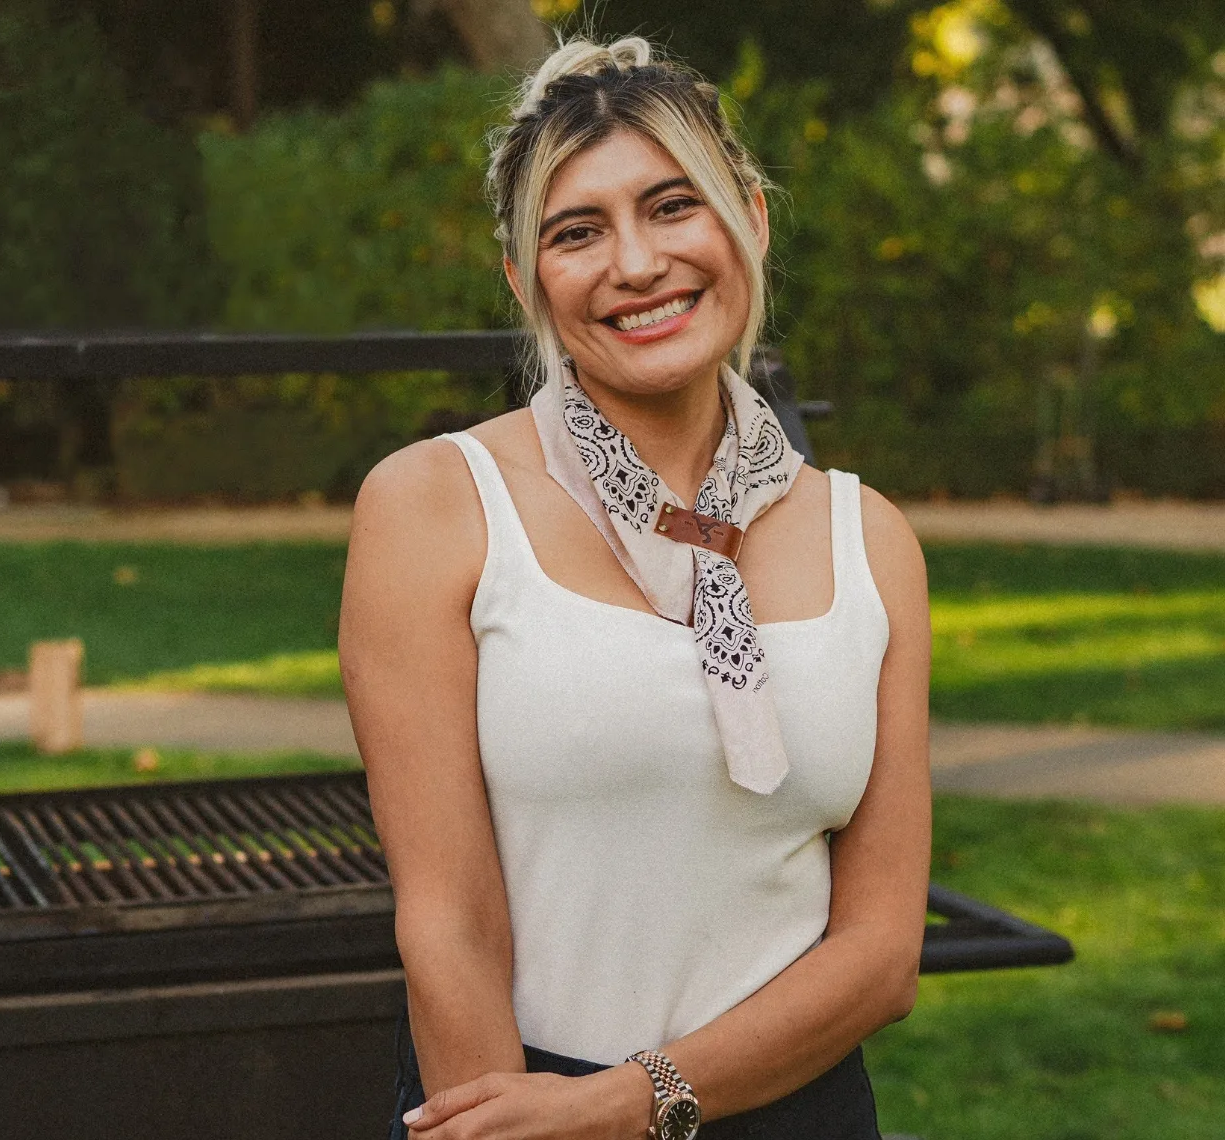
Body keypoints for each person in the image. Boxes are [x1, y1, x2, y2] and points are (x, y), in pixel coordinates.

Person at [339, 38, 932, 1140]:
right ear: (525, 279)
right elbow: (447, 921)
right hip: (511, 1101)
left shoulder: (870, 539)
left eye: (672, 208)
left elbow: (881, 955)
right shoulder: (435, 506)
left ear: (748, 221)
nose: (636, 263)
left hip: (800, 1111)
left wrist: (632, 1104)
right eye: (576, 232)